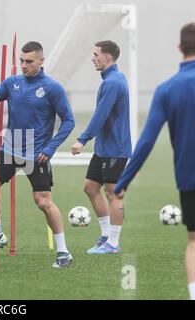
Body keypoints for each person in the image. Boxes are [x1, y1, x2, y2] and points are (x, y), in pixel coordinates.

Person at [114, 23, 195, 300]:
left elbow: (146, 142)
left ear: (179, 48)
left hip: (191, 177)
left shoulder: (166, 90)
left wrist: (123, 182)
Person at [0, 41, 75, 268]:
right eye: (21, 61)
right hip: (8, 149)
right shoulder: (13, 82)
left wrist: (50, 148)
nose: (24, 65)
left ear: (41, 60)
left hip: (36, 154)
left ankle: (63, 252)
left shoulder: (53, 88)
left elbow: (69, 121)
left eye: (29, 61)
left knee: (43, 202)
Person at [71, 40, 131, 255]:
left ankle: (113, 244)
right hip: (105, 148)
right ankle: (106, 235)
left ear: (108, 57)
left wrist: (82, 139)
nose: (93, 58)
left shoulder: (113, 82)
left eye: (96, 54)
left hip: (116, 148)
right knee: (90, 187)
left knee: (114, 193)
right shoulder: (112, 78)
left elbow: (101, 115)